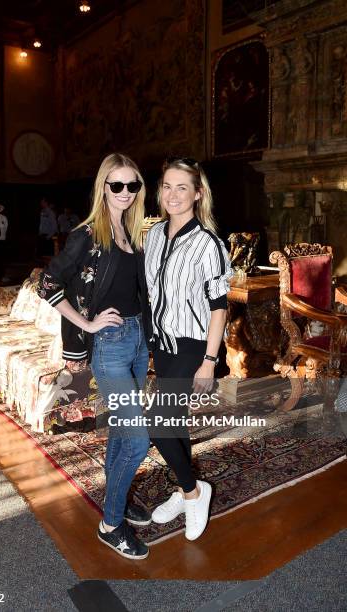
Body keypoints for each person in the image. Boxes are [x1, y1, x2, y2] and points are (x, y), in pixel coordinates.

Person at [37, 153, 152, 560]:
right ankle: (110, 524)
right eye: (116, 185)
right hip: (110, 346)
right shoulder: (88, 234)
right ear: (103, 187)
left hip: (138, 341)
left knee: (123, 431)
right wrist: (85, 326)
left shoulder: (135, 232)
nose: (125, 193)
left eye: (132, 185)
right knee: (138, 441)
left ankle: (116, 503)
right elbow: (47, 283)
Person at [144, 156, 232, 541]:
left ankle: (196, 492)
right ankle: (184, 490)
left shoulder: (208, 243)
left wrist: (209, 362)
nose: (173, 194)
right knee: (173, 422)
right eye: (167, 186)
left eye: (182, 187)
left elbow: (219, 307)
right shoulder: (152, 235)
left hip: (193, 345)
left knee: (157, 423)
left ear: (198, 194)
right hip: (161, 344)